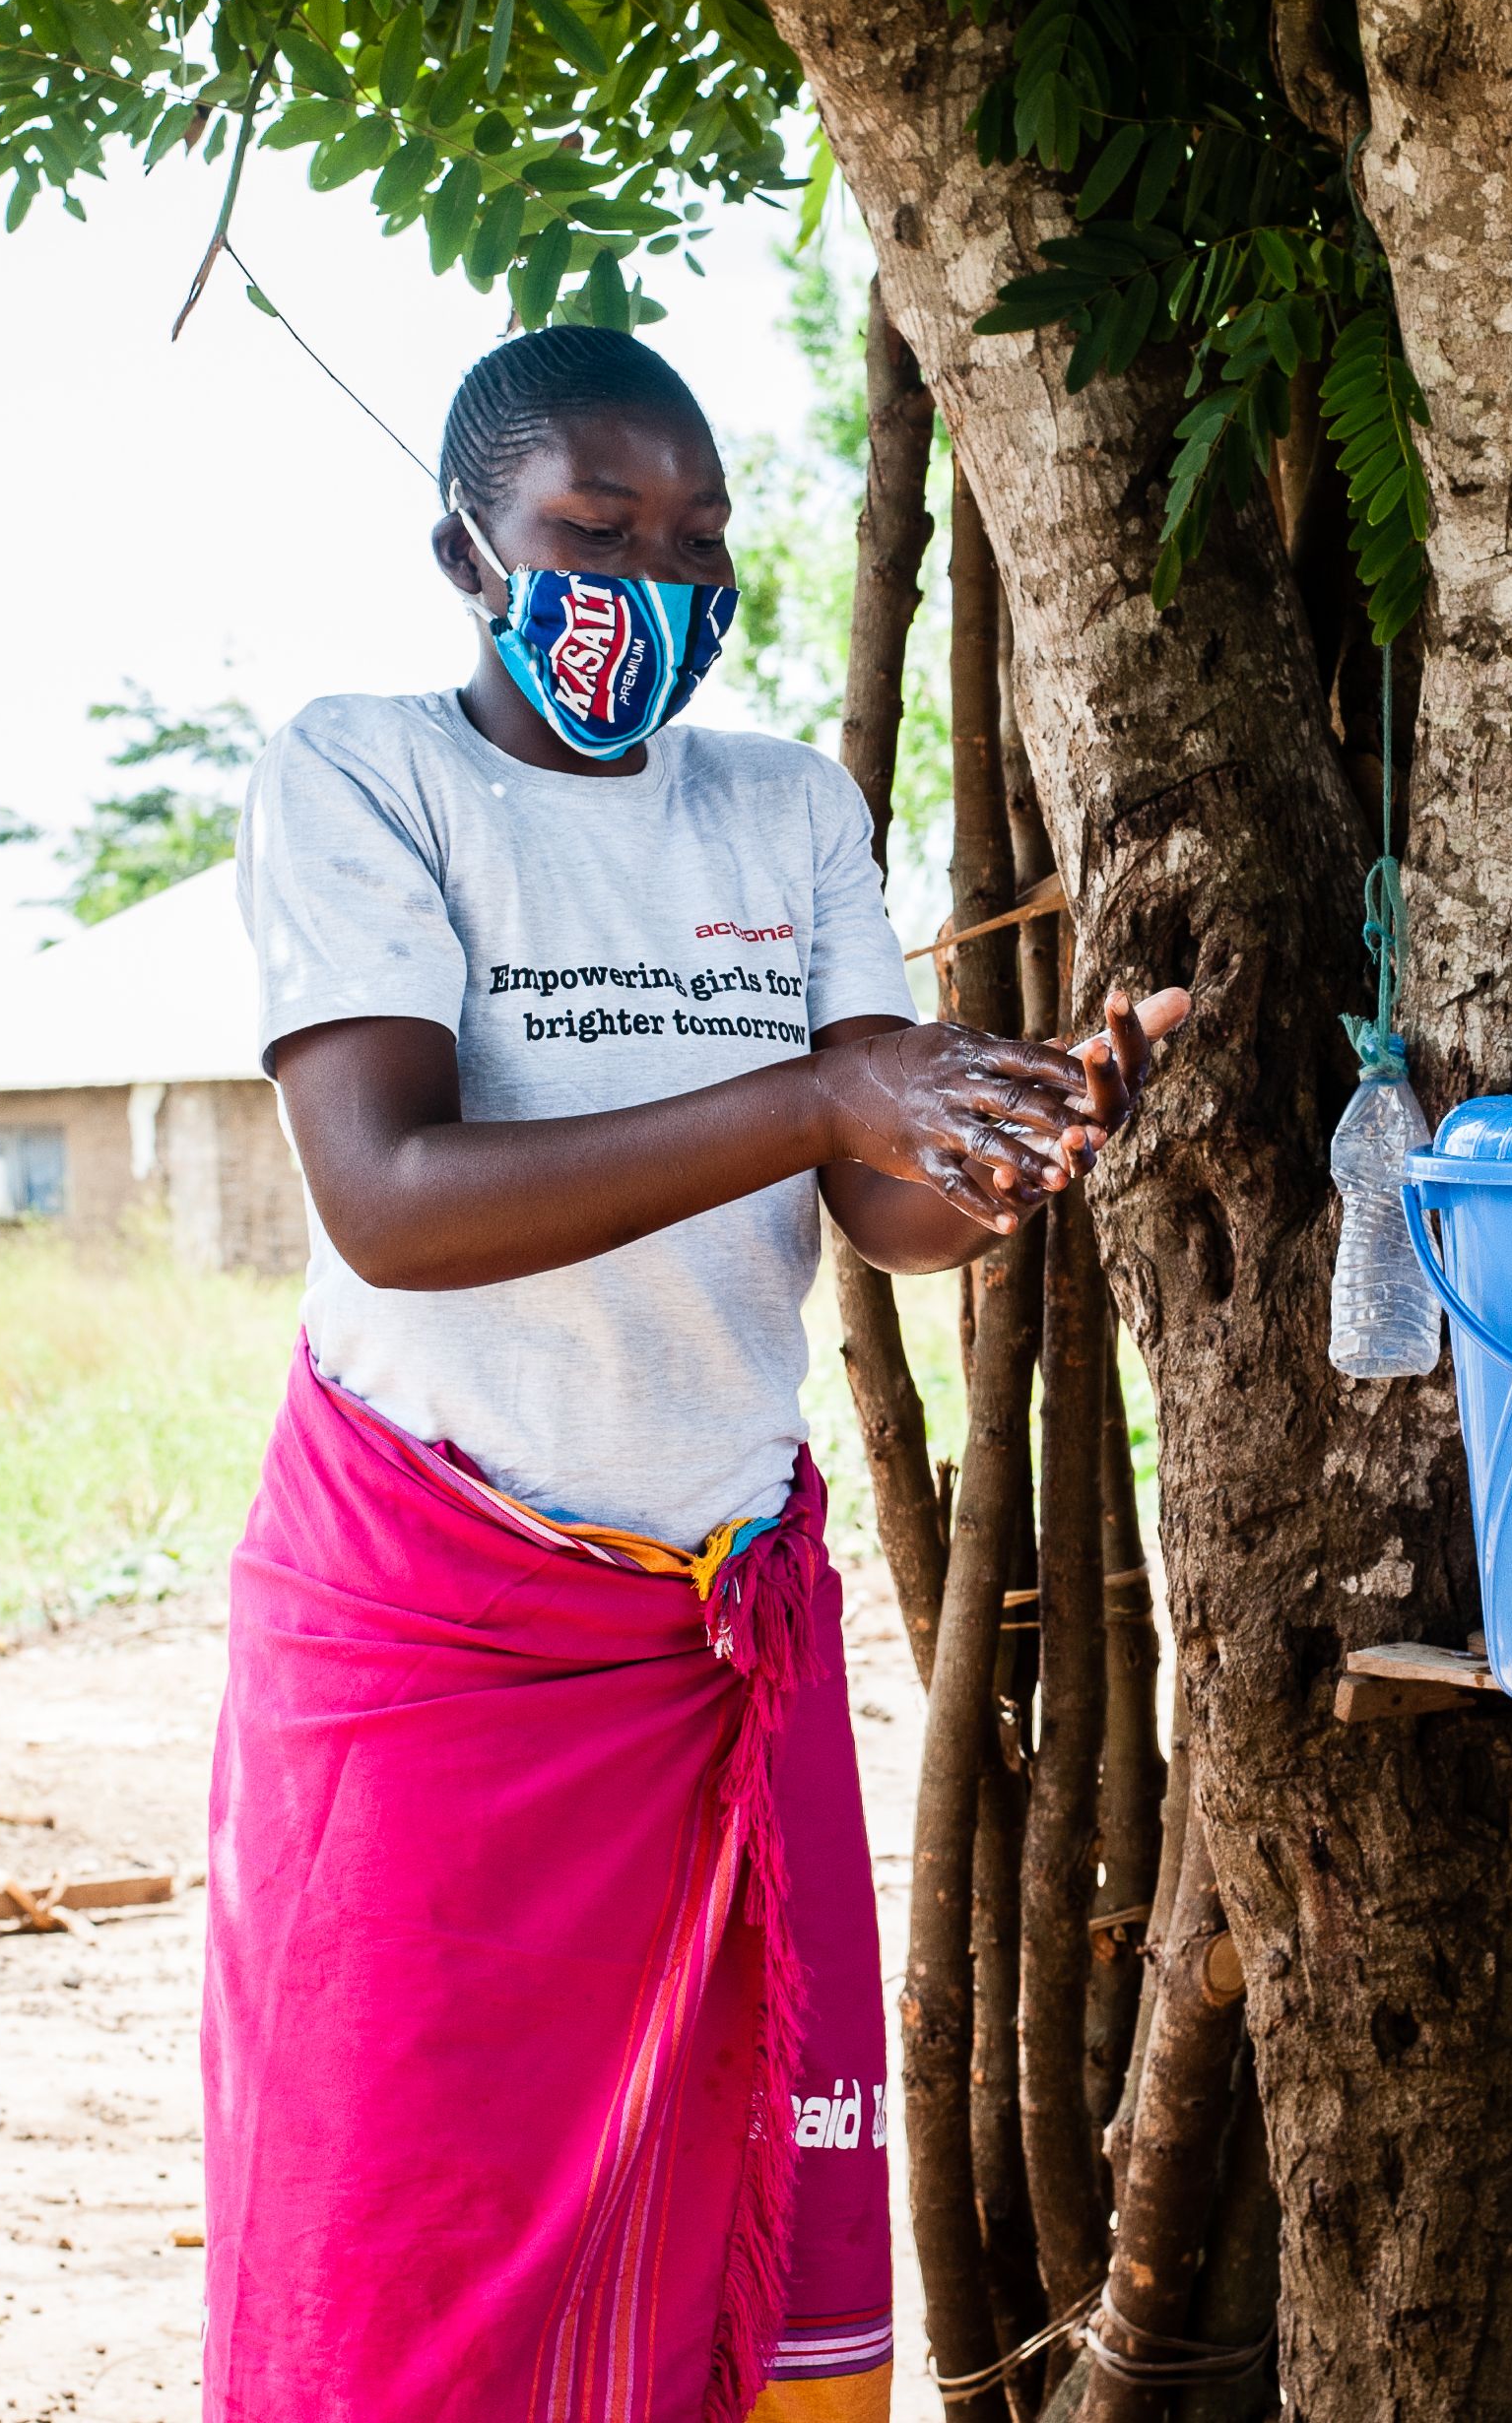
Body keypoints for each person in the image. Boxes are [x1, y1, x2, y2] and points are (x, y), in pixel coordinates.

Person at [204, 323, 1185, 2423]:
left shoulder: (782, 810)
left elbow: (888, 1212)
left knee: (748, 2160)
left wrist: (999, 1146)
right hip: (439, 1622)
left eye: (700, 536)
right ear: (468, 546)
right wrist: (824, 1090)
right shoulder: (363, 773)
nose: (653, 580)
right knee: (420, 2190)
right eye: (595, 527)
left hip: (712, 1619)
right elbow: (390, 1194)